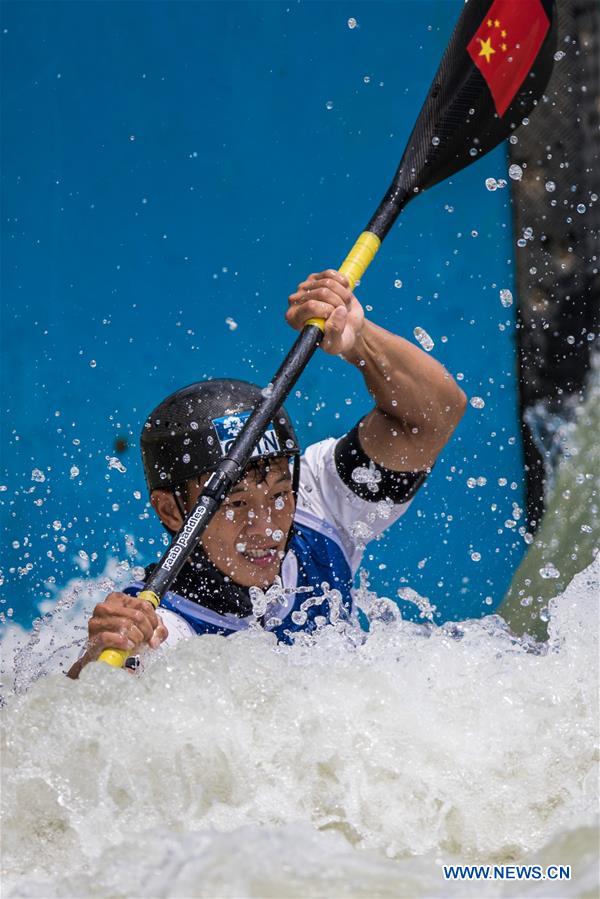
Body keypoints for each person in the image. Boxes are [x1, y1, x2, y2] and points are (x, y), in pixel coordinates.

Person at [67, 270, 466, 677]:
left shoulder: (317, 506)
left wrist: (358, 338)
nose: (269, 529)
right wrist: (95, 662)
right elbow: (81, 718)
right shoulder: (161, 629)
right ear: (171, 510)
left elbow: (431, 416)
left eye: (278, 495)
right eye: (237, 503)